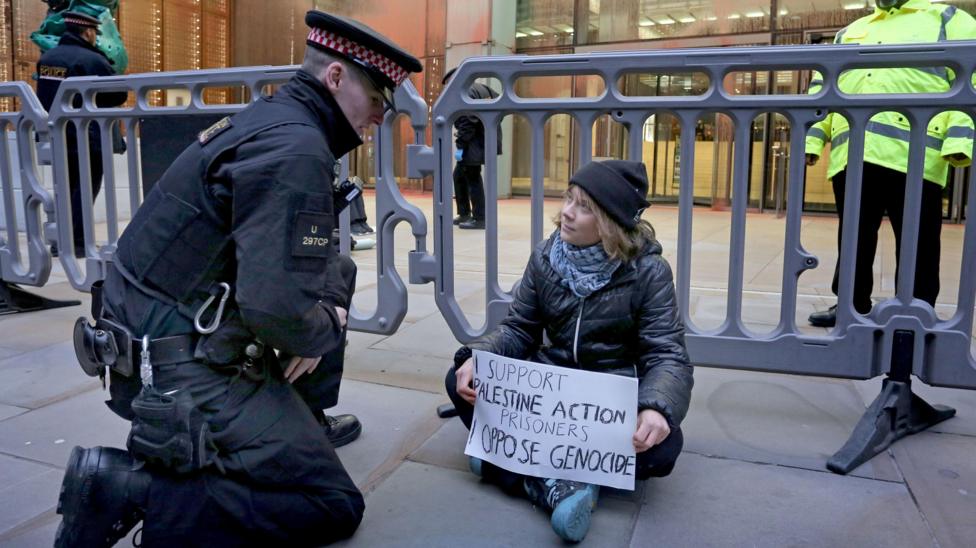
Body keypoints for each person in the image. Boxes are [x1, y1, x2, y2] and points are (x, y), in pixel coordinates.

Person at [55, 10, 421, 547]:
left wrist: (316, 317)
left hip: (153, 336)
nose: (378, 117)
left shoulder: (276, 120)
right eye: (375, 100)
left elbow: (307, 264)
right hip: (178, 367)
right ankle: (131, 489)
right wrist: (324, 326)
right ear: (335, 77)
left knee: (335, 274)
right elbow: (275, 312)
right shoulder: (297, 149)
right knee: (330, 504)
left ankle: (294, 422)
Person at [445, 160, 693, 542]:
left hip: (608, 402)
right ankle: (562, 481)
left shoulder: (648, 272)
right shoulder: (546, 257)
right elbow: (518, 328)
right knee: (460, 380)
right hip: (550, 395)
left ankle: (510, 466)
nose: (567, 212)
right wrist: (479, 358)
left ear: (610, 223)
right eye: (568, 198)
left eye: (584, 207)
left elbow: (667, 355)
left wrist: (656, 408)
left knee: (664, 448)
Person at [805, 0, 976, 327]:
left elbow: (971, 80)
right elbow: (822, 89)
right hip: (854, 151)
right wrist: (812, 139)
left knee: (918, 241)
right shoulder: (850, 31)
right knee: (853, 237)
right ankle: (850, 306)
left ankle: (916, 310)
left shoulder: (948, 19)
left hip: (916, 153)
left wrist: (959, 141)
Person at [35, 10, 127, 258]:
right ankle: (77, 243)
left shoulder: (48, 58)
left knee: (64, 188)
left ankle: (60, 241)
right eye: (94, 33)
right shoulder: (92, 59)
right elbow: (118, 94)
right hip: (87, 136)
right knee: (85, 189)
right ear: (87, 32)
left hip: (56, 134)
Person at [444, 67, 502, 230]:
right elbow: (500, 107)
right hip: (485, 139)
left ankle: (480, 217)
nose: (447, 88)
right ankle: (464, 213)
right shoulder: (482, 88)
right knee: (459, 175)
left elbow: (467, 123)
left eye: (448, 84)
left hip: (474, 143)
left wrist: (460, 146)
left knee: (472, 177)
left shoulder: (465, 92)